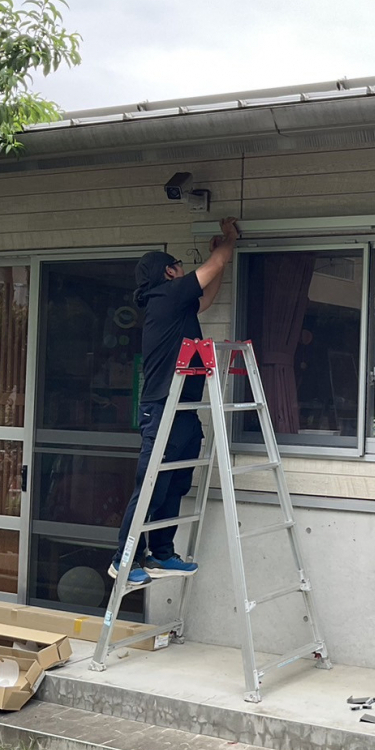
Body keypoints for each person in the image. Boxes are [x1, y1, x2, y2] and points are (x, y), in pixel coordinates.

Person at [110, 216, 240, 588]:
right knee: (150, 484)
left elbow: (209, 292)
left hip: (182, 409)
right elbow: (213, 268)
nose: (185, 269)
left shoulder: (177, 304)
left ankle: (162, 552)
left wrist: (221, 256)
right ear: (169, 273)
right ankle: (124, 558)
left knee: (175, 481)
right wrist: (228, 240)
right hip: (162, 406)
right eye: (179, 265)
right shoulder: (165, 296)